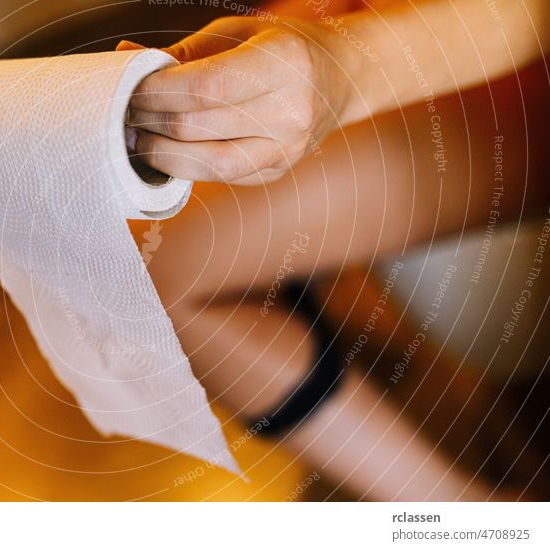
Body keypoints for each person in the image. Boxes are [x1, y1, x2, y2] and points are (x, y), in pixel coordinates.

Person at [118, 0, 549, 500]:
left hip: (505, 63)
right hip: (356, 32)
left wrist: (340, 64)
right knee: (147, 264)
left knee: (158, 262)